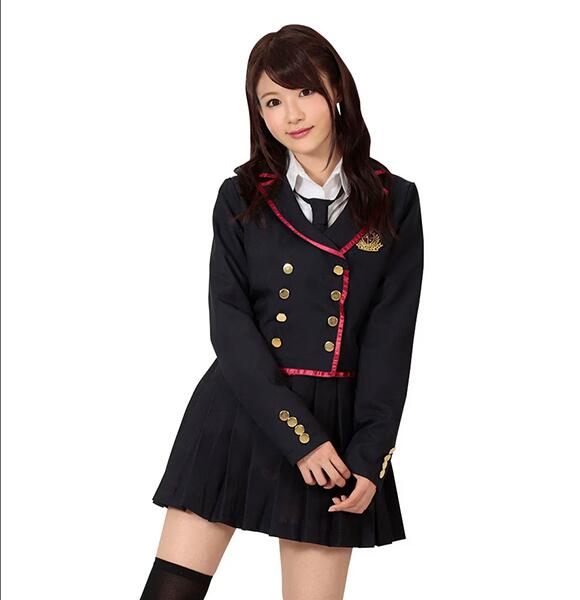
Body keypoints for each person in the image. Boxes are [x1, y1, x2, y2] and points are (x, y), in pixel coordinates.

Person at [140, 23, 425, 600]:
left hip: (337, 433)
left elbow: (390, 341)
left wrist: (369, 455)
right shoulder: (242, 195)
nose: (291, 114)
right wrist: (301, 439)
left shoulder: (395, 199)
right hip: (242, 408)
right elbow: (229, 323)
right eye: (272, 101)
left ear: (335, 89)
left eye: (305, 91)